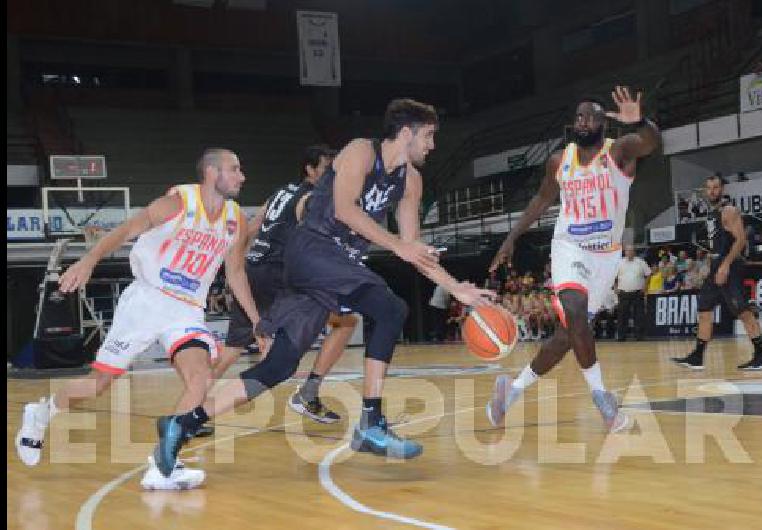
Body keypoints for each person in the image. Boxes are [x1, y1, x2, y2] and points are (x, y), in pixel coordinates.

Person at [153, 99, 494, 477]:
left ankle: (181, 423)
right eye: (428, 135)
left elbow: (412, 247)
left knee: (278, 366)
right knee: (392, 309)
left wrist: (455, 288)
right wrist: (397, 244)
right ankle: (371, 422)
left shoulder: (411, 181)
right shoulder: (361, 152)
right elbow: (345, 210)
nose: (432, 145)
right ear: (406, 132)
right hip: (312, 249)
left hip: (335, 269)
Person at [15, 148, 261, 491]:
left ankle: (164, 462)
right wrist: (88, 261)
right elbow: (127, 229)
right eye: (234, 169)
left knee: (200, 377)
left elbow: (235, 272)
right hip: (146, 300)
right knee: (97, 385)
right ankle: (42, 412)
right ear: (211, 172)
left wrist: (256, 321)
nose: (242, 176)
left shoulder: (236, 218)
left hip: (187, 308)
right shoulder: (177, 203)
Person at [485, 86, 660, 431]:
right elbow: (540, 200)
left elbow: (651, 142)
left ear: (603, 125)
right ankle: (603, 400)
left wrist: (640, 121)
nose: (583, 122)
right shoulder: (559, 160)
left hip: (606, 258)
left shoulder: (620, 152)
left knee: (568, 336)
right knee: (576, 311)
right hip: (570, 248)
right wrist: (510, 238)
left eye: (592, 116)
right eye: (579, 117)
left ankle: (512, 390)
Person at [213, 145, 358, 425]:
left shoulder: (281, 192)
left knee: (232, 348)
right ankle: (309, 391)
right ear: (310, 169)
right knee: (347, 321)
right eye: (327, 169)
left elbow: (253, 226)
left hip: (255, 272)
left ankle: (192, 406)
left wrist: (237, 262)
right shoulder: (314, 198)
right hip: (281, 277)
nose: (333, 175)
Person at [672, 175, 762, 370]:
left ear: (722, 189)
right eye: (709, 188)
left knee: (742, 312)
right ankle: (697, 357)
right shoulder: (712, 214)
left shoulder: (729, 210)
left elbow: (741, 240)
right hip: (716, 266)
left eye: (716, 187)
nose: (712, 191)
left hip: (731, 267)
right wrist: (712, 264)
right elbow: (717, 245)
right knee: (704, 310)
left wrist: (725, 265)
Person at [615, 245, 651, 341]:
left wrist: (645, 287)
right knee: (622, 315)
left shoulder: (641, 262)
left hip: (637, 292)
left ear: (634, 252)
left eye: (631, 251)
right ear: (625, 252)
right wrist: (615, 288)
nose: (629, 252)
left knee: (639, 315)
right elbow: (613, 276)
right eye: (628, 251)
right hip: (623, 292)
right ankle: (621, 336)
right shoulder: (619, 262)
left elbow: (648, 275)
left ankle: (639, 336)